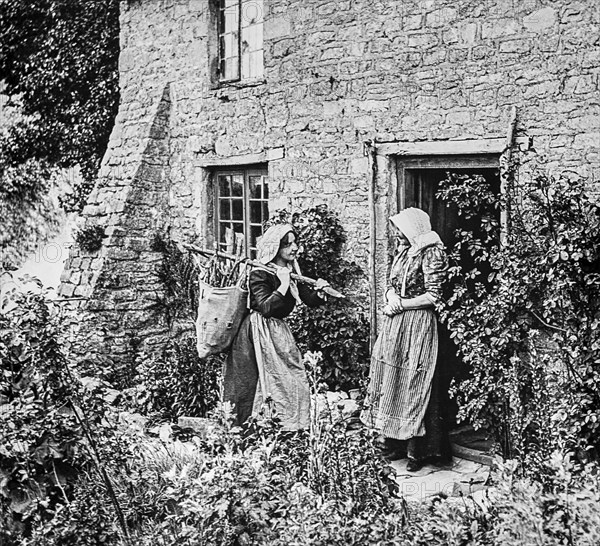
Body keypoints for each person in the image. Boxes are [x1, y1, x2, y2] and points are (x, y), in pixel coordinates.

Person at [361, 207, 450, 472]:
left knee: (414, 380)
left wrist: (402, 304)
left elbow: (435, 296)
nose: (397, 234)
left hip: (418, 324)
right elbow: (390, 284)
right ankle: (393, 443)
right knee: (391, 378)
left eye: (401, 229)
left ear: (413, 228)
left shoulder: (432, 252)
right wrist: (390, 298)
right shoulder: (404, 251)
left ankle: (418, 451)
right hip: (395, 324)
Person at [223, 224, 330, 430]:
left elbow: (307, 298)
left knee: (291, 377)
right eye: (287, 244)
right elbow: (266, 307)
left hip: (278, 331)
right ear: (275, 248)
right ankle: (257, 429)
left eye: (294, 242)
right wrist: (281, 284)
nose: (295, 248)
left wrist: (320, 292)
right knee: (262, 381)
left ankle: (289, 424)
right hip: (257, 333)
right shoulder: (260, 272)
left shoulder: (291, 271)